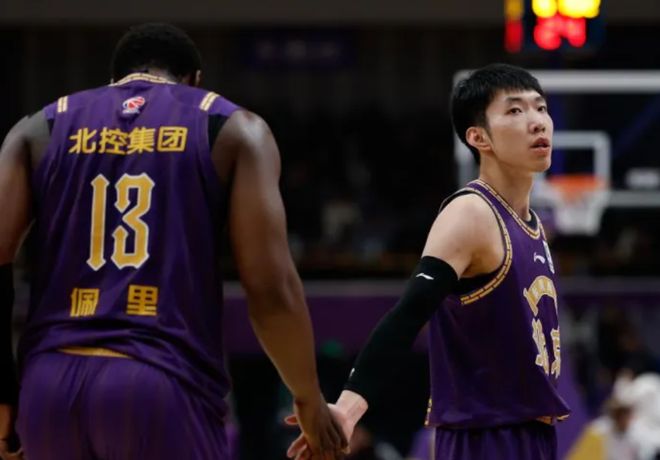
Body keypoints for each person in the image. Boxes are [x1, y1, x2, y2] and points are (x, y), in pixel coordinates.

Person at [0, 23, 346, 460]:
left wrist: (3, 397)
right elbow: (269, 289)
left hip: (48, 384)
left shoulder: (37, 128)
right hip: (160, 378)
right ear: (193, 80)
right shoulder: (233, 127)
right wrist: (308, 396)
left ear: (113, 78)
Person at [287, 63, 571, 459]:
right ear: (478, 137)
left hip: (534, 436)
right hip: (485, 439)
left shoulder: (532, 225)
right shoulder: (471, 212)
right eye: (514, 110)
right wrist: (348, 410)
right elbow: (408, 315)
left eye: (540, 108)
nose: (537, 121)